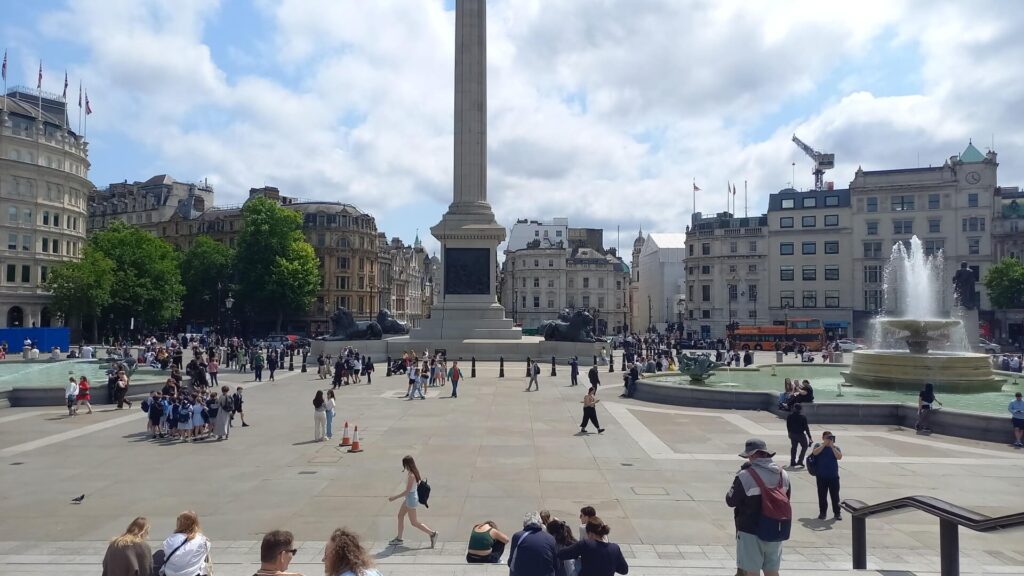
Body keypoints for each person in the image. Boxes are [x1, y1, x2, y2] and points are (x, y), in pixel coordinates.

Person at [726, 438, 791, 576]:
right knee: (772, 571)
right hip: (776, 528)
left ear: (752, 455)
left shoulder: (745, 475)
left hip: (750, 531)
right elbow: (787, 499)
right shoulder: (783, 474)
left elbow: (730, 500)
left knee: (752, 571)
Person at [388, 455, 437, 547]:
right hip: (410, 498)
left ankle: (432, 533)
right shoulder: (414, 472)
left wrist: (394, 497)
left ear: (408, 464)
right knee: (400, 515)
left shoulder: (411, 475)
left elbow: (407, 491)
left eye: (404, 464)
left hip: (411, 500)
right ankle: (399, 538)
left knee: (414, 522)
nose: (404, 467)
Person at [556, 517, 629, 576]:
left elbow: (561, 554)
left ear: (590, 533)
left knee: (568, 562)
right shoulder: (615, 548)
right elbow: (624, 570)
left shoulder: (586, 544)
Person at [160, 511, 211, 576]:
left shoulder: (170, 539)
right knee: (204, 557)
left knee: (160, 553)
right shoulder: (202, 540)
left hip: (169, 574)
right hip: (192, 574)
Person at [508, 511, 557, 576]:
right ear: (540, 523)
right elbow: (556, 564)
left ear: (524, 524)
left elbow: (510, 562)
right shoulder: (550, 538)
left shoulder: (517, 536)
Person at [810, 431, 843, 520]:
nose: (829, 439)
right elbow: (815, 453)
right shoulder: (818, 445)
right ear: (823, 438)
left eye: (830, 437)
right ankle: (823, 513)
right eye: (827, 437)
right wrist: (824, 444)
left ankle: (837, 513)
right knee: (822, 496)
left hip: (833, 477)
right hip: (821, 476)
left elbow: (839, 457)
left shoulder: (836, 448)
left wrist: (832, 446)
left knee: (835, 496)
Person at [786, 404, 812, 468]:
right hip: (800, 435)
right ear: (800, 409)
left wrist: (789, 433)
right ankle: (800, 460)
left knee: (794, 448)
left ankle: (792, 461)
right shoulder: (803, 417)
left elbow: (788, 426)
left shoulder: (790, 416)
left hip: (792, 434)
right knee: (805, 446)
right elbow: (806, 428)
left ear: (794, 408)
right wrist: (810, 437)